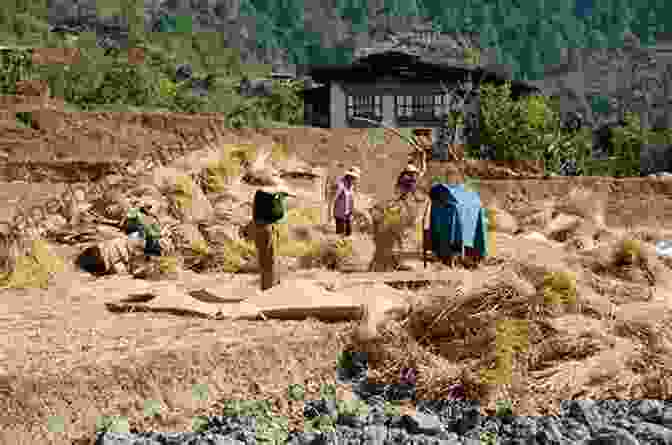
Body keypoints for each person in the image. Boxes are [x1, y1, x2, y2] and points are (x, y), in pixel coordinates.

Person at [332, 167, 360, 237]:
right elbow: (333, 199)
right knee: (340, 234)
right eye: (354, 178)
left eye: (355, 178)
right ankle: (337, 246)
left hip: (347, 214)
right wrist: (329, 215)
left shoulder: (351, 187)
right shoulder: (341, 185)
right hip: (340, 214)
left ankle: (345, 245)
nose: (355, 180)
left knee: (348, 233)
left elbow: (351, 200)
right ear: (349, 177)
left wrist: (352, 212)